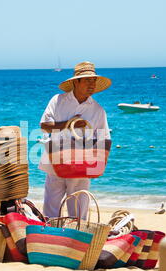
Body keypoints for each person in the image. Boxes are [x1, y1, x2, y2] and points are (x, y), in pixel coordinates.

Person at [39, 61, 112, 218]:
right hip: (55, 162)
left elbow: (104, 139)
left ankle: (75, 240)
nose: (92, 85)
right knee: (51, 210)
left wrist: (99, 164)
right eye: (87, 80)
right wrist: (69, 123)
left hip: (82, 166)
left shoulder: (98, 110)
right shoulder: (57, 101)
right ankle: (49, 238)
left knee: (78, 214)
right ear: (75, 82)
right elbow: (44, 126)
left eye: (94, 81)